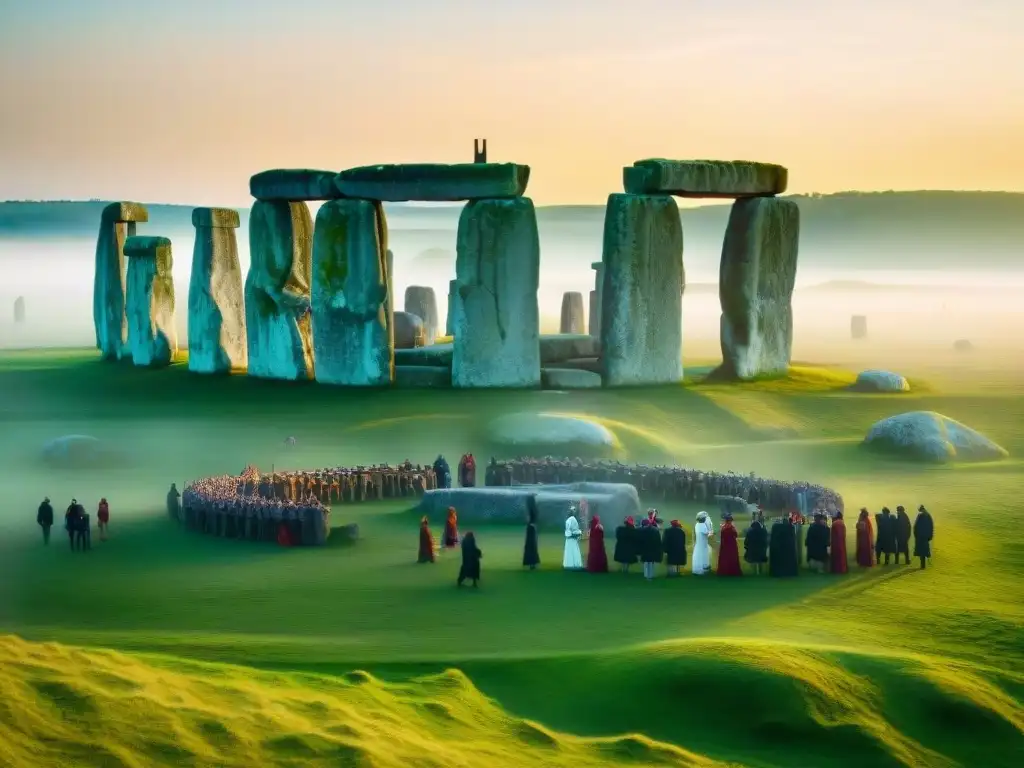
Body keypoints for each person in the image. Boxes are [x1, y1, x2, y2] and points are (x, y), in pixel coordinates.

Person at [913, 505, 934, 569]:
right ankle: (923, 565)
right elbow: (931, 527)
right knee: (924, 550)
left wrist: (916, 535)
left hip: (920, 536)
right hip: (926, 536)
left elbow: (915, 526)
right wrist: (930, 536)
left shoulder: (920, 515)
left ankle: (922, 565)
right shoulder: (928, 515)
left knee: (921, 550)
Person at [522, 502, 540, 570]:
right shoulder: (532, 511)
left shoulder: (530, 511)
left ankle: (531, 562)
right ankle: (532, 563)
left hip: (530, 528)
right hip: (531, 528)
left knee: (530, 545)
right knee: (531, 545)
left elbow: (528, 519)